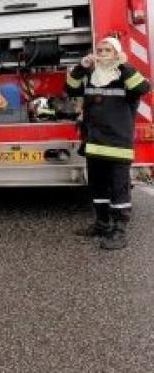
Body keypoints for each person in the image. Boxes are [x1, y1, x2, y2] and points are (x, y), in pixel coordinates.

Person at [66, 35, 150, 249]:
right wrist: (80, 68)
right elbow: (71, 89)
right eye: (100, 50)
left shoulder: (125, 75)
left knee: (119, 189)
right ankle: (102, 224)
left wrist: (124, 65)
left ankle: (119, 231)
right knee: (98, 187)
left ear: (116, 53)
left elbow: (142, 89)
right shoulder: (92, 75)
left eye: (107, 51)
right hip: (94, 143)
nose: (103, 54)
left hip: (117, 145)